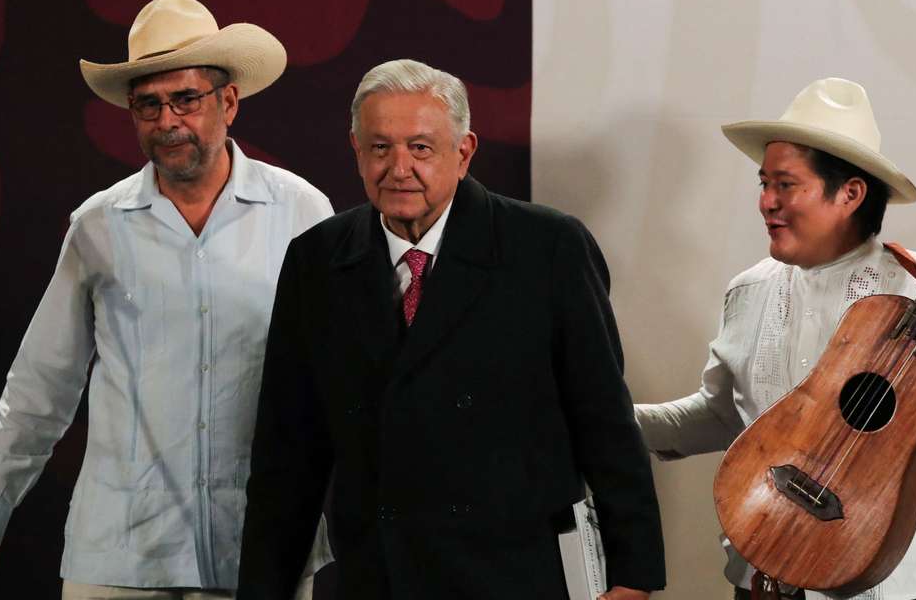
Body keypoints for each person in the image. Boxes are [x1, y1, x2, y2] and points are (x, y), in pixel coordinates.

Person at [0, 0, 333, 600]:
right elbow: (40, 386)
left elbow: (338, 383)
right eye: (148, 105)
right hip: (119, 555)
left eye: (186, 99)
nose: (167, 121)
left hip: (258, 551)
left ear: (228, 102)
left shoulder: (304, 214)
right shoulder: (98, 226)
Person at [236, 59, 665, 599]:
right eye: (380, 147)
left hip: (516, 575)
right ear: (355, 150)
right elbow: (287, 454)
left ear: (463, 154)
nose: (399, 168)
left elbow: (604, 421)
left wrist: (634, 576)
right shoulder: (317, 261)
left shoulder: (547, 248)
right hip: (376, 577)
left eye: (420, 147)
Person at [635, 77, 916, 599]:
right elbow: (726, 415)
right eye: (763, 183)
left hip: (905, 587)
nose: (766, 201)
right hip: (768, 578)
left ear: (851, 193)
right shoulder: (746, 293)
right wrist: (607, 421)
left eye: (785, 185)